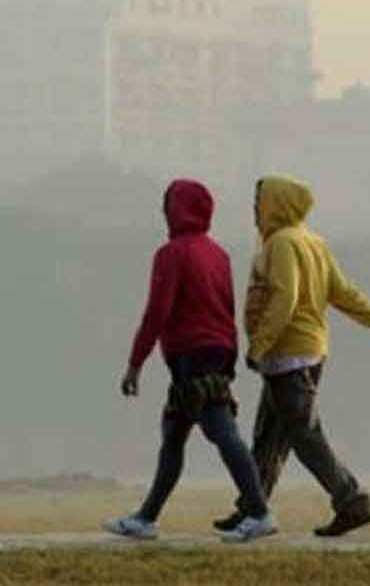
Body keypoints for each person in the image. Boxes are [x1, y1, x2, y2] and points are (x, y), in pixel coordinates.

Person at [212, 175, 370, 538]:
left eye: (260, 203)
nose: (255, 211)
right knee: (269, 436)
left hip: (289, 354)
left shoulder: (283, 244)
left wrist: (259, 346)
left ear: (277, 205)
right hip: (305, 352)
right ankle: (251, 507)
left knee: (304, 435)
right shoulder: (312, 242)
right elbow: (343, 292)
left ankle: (352, 500)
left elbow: (284, 297)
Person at [104, 179, 276, 543]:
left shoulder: (171, 255)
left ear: (177, 209)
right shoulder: (219, 254)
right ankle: (146, 517)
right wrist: (230, 352)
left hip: (192, 357)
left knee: (222, 432)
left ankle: (260, 512)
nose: (163, 211)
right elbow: (227, 308)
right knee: (173, 437)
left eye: (167, 204)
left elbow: (157, 311)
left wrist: (135, 363)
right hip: (215, 351)